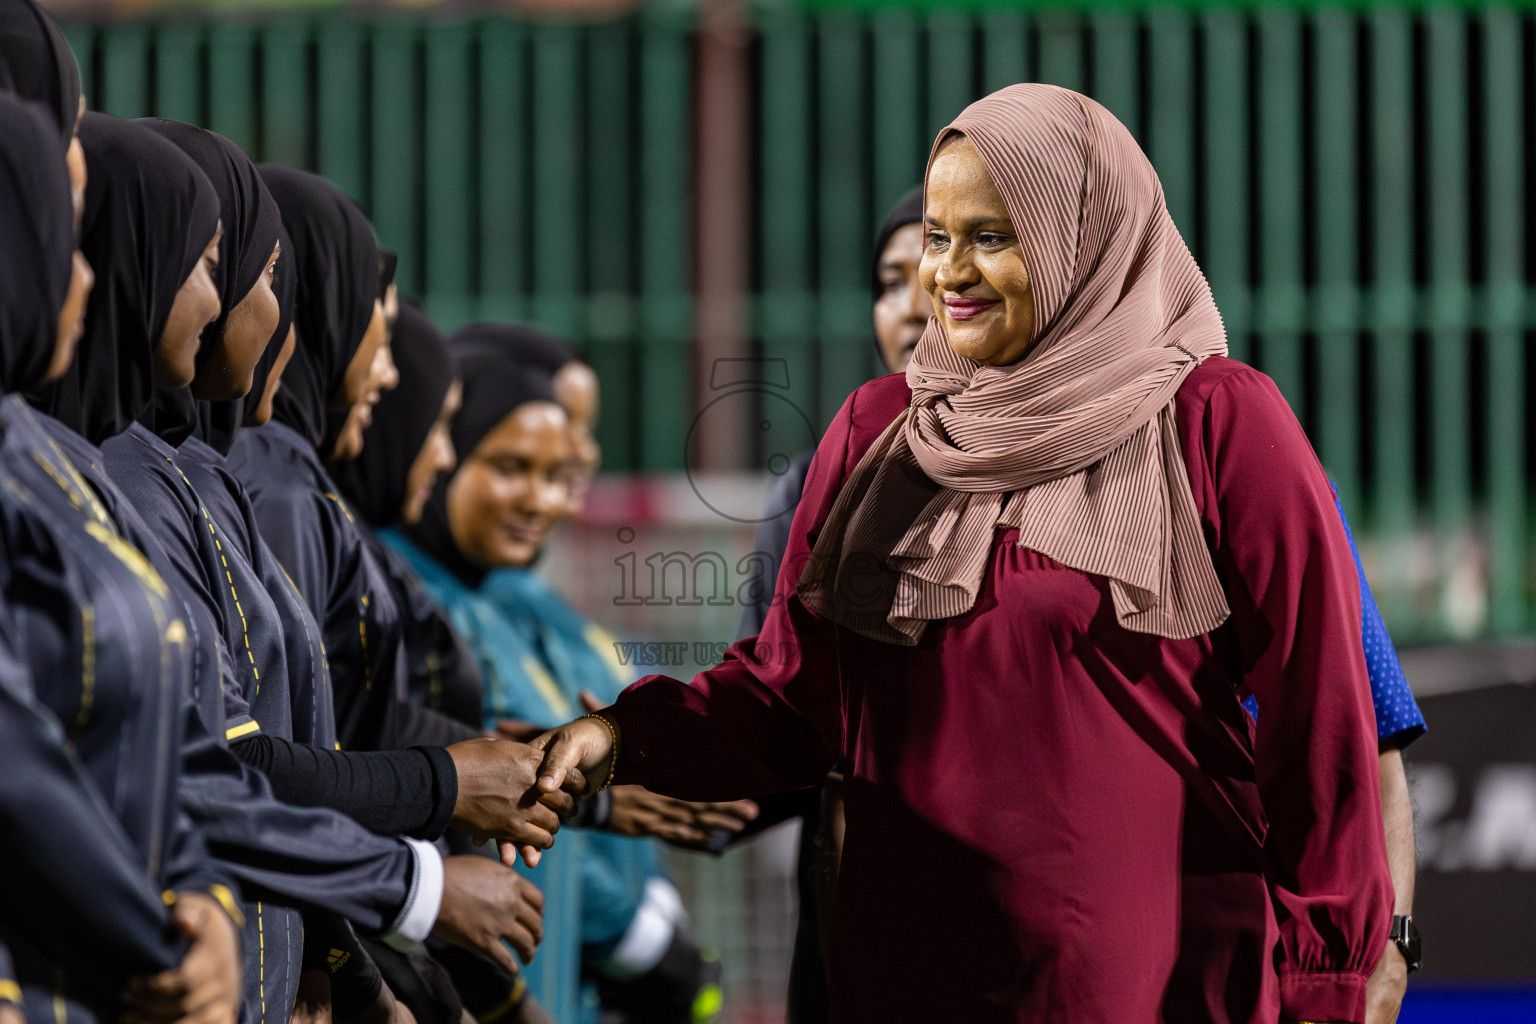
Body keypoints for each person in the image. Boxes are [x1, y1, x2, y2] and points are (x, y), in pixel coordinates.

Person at [534, 84, 1393, 1024]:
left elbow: (1321, 731)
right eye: (940, 237)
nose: (947, 275)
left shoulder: (1218, 422)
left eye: (993, 235)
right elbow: (788, 699)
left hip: (1161, 987)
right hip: (911, 984)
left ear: (1086, 235)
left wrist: (1329, 982)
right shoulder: (877, 432)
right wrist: (621, 737)